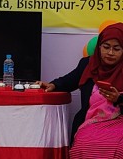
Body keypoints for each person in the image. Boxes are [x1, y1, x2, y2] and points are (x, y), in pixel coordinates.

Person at [37, 22, 123, 157]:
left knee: (118, 148)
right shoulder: (88, 64)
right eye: (106, 47)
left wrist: (119, 98)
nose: (110, 53)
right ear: (99, 46)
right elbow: (70, 80)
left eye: (116, 49)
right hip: (91, 122)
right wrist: (53, 85)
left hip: (119, 123)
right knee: (84, 144)